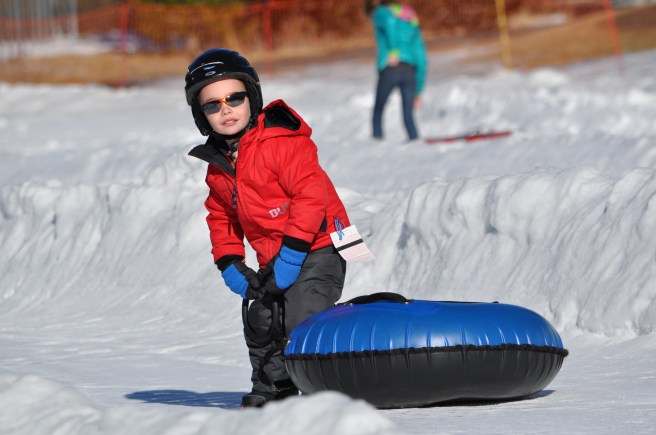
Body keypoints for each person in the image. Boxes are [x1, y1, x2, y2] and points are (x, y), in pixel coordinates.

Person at [184, 48, 350, 408]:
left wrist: (292, 254)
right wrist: (229, 261)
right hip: (275, 255)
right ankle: (275, 385)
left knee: (301, 315)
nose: (225, 109)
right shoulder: (220, 165)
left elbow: (311, 196)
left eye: (234, 98)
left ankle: (324, 391)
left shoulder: (282, 143)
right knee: (262, 317)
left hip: (319, 245)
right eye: (212, 105)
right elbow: (220, 216)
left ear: (252, 97)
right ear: (201, 115)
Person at [366, 0, 428, 141]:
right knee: (408, 114)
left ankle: (376, 141)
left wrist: (394, 50)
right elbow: (421, 56)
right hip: (410, 69)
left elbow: (390, 22)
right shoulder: (411, 19)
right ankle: (414, 141)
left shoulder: (381, 12)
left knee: (378, 109)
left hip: (391, 68)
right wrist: (418, 90)